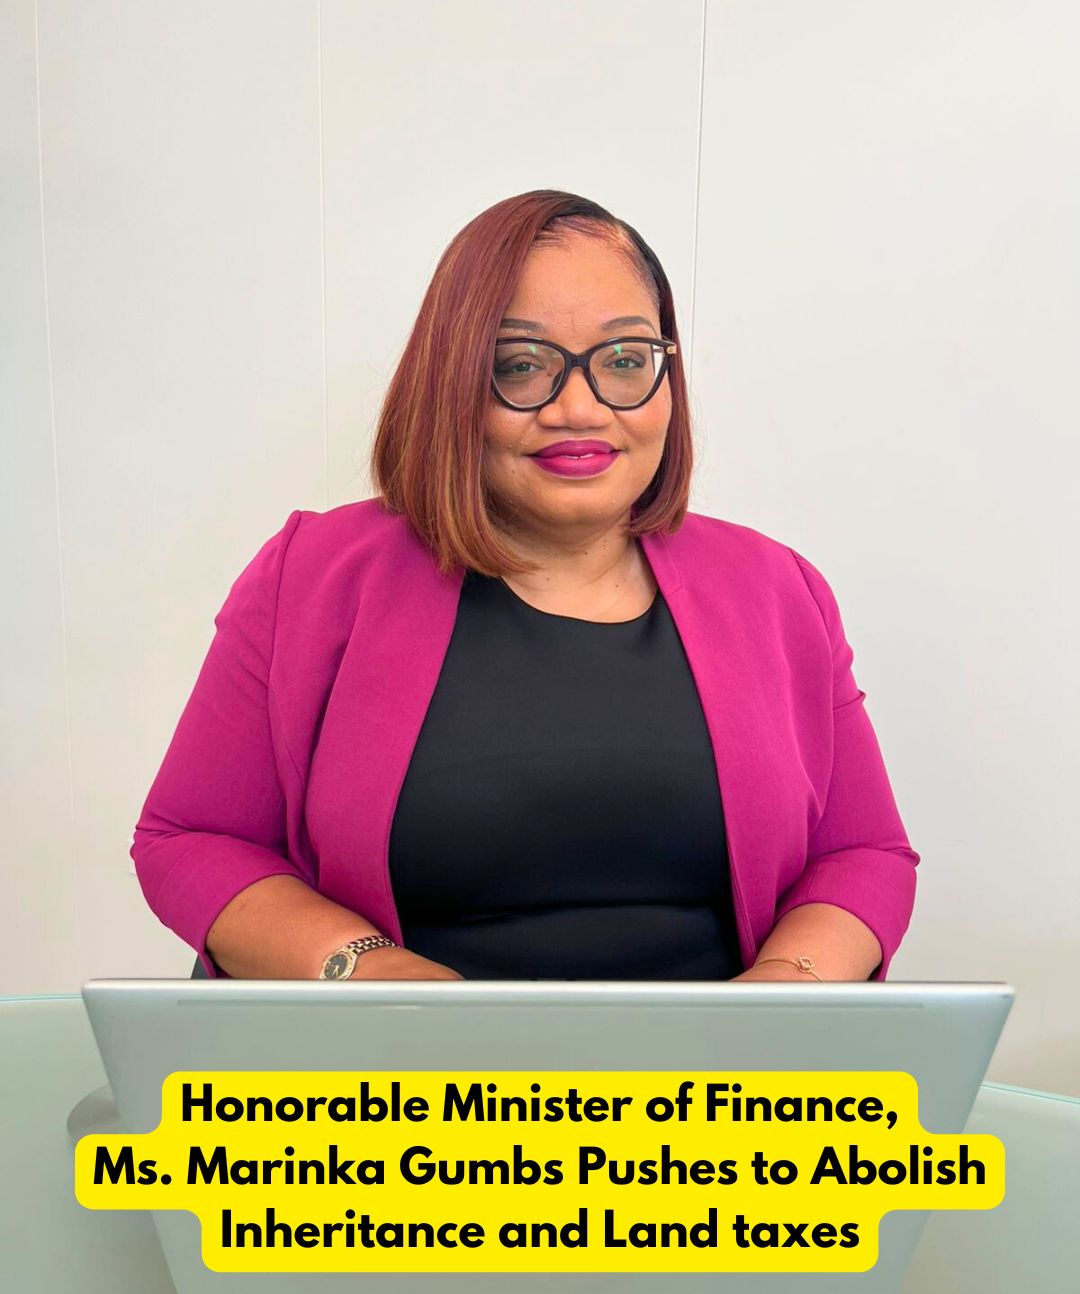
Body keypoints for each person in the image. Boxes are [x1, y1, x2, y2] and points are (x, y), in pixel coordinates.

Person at [131, 189, 919, 986]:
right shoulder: (312, 576)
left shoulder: (778, 589)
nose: (579, 408)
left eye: (624, 361)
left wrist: (787, 986)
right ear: (453, 383)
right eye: (520, 365)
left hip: (716, 1062)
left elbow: (863, 855)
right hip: (399, 1057)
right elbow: (194, 840)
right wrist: (369, 974)